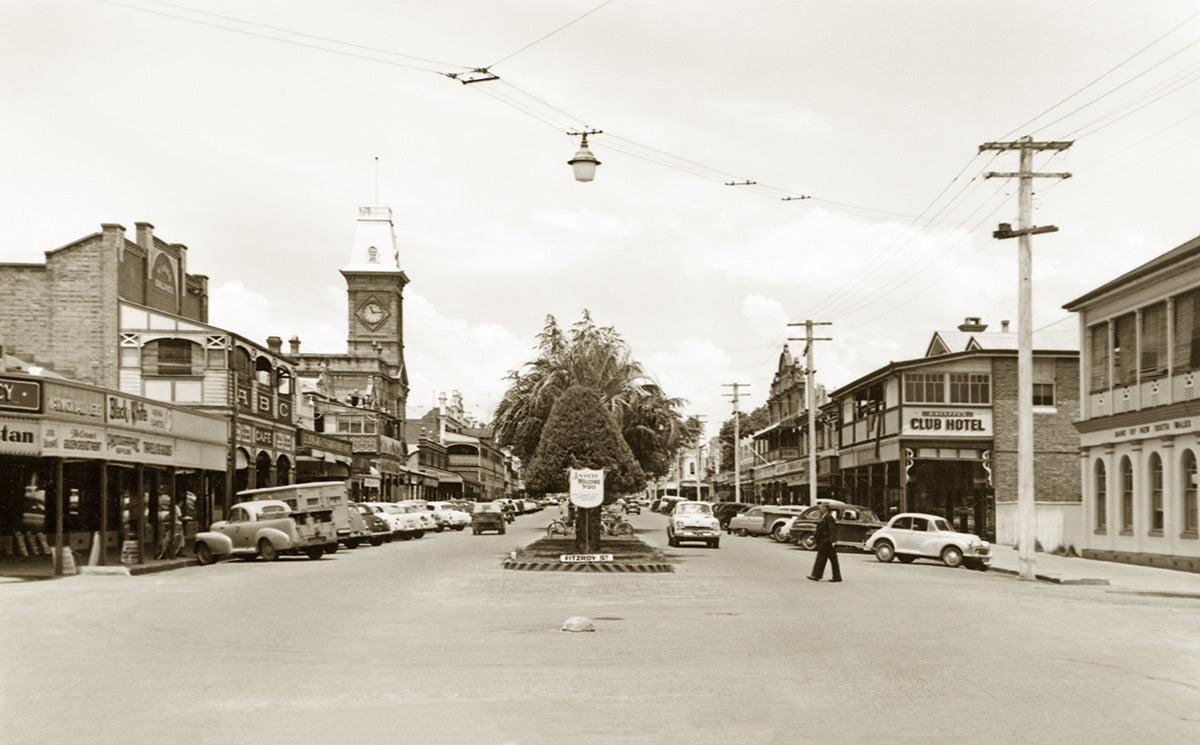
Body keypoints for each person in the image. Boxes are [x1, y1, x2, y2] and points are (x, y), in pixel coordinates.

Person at [807, 503, 842, 582]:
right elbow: (822, 529)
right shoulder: (825, 516)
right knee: (833, 559)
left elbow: (832, 529)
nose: (820, 509)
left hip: (826, 541)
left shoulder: (828, 517)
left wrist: (832, 541)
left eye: (821, 507)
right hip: (825, 540)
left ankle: (816, 576)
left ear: (825, 509)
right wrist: (815, 536)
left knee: (821, 558)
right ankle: (837, 577)